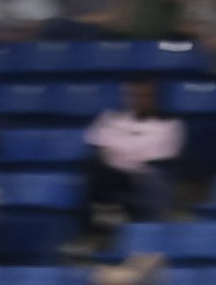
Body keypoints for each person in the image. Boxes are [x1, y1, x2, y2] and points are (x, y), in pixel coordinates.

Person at [72, 80, 184, 254]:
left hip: (143, 181)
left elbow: (158, 160)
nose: (140, 99)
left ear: (155, 98)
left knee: (140, 178)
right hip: (110, 177)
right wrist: (125, 161)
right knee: (95, 169)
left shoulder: (169, 126)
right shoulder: (110, 119)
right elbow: (100, 150)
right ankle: (99, 232)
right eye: (136, 95)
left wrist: (120, 158)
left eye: (145, 96)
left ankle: (104, 231)